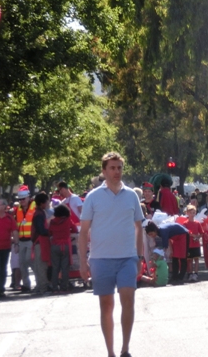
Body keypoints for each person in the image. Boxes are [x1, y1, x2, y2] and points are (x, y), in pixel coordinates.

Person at [79, 152, 145, 357]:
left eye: (119, 168)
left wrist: (140, 257)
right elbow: (83, 232)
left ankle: (125, 348)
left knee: (128, 299)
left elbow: (138, 227)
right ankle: (111, 352)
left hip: (127, 258)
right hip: (100, 259)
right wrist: (83, 262)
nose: (117, 172)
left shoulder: (132, 195)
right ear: (104, 171)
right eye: (112, 168)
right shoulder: (93, 197)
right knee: (106, 305)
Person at [49, 204, 78, 293]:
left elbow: (50, 232)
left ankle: (54, 287)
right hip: (65, 245)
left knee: (55, 267)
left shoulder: (53, 221)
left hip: (54, 245)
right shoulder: (68, 220)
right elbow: (75, 229)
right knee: (65, 267)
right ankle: (64, 286)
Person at [15, 185, 36, 293]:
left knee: (30, 260)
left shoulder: (35, 207)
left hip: (31, 240)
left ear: (28, 197)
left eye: (23, 199)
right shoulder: (17, 209)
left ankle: (40, 281)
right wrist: (15, 242)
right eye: (19, 199)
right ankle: (26, 285)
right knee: (22, 263)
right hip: (21, 240)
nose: (21, 201)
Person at [31, 192, 52, 295]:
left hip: (38, 242)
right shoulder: (39, 214)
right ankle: (43, 288)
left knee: (39, 265)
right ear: (42, 203)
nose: (48, 203)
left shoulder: (38, 212)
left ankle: (40, 286)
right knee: (42, 266)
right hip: (40, 242)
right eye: (47, 201)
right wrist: (50, 232)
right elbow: (41, 229)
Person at [184, 204, 203, 282]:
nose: (192, 214)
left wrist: (197, 237)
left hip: (196, 244)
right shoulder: (185, 224)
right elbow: (184, 233)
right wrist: (191, 235)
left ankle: (196, 273)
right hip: (189, 245)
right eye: (191, 213)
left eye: (194, 212)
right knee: (189, 260)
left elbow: (201, 232)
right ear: (187, 213)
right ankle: (190, 273)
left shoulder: (197, 223)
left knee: (197, 259)